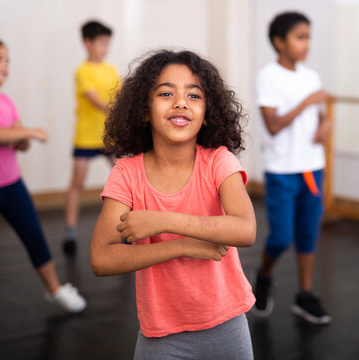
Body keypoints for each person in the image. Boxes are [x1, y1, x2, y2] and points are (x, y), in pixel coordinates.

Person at [90, 50, 256, 359]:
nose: (180, 102)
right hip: (161, 336)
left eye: (194, 95)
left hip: (228, 326)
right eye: (166, 93)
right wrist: (184, 246)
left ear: (206, 113)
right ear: (144, 110)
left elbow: (245, 229)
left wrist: (163, 221)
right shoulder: (127, 173)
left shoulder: (219, 161)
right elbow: (101, 259)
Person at [0, 37, 86, 313]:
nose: (6, 65)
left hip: (11, 184)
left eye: (8, 60)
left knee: (34, 235)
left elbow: (18, 139)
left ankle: (54, 289)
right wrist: (29, 132)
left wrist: (23, 139)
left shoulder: (6, 102)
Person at [251, 11, 332, 325]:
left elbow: (321, 116)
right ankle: (265, 274)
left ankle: (305, 294)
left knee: (308, 235)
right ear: (279, 42)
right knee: (281, 237)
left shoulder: (311, 77)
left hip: (312, 167)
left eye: (308, 37)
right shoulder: (268, 76)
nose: (306, 44)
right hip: (282, 170)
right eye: (300, 37)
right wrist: (307, 103)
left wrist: (324, 124)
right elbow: (273, 125)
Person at [63, 20, 119, 256]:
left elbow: (122, 93)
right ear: (88, 43)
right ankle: (70, 232)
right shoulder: (82, 71)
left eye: (108, 44)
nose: (105, 48)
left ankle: (127, 228)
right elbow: (96, 100)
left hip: (109, 136)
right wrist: (116, 110)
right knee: (78, 182)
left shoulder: (111, 70)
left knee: (123, 180)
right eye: (102, 43)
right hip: (86, 137)